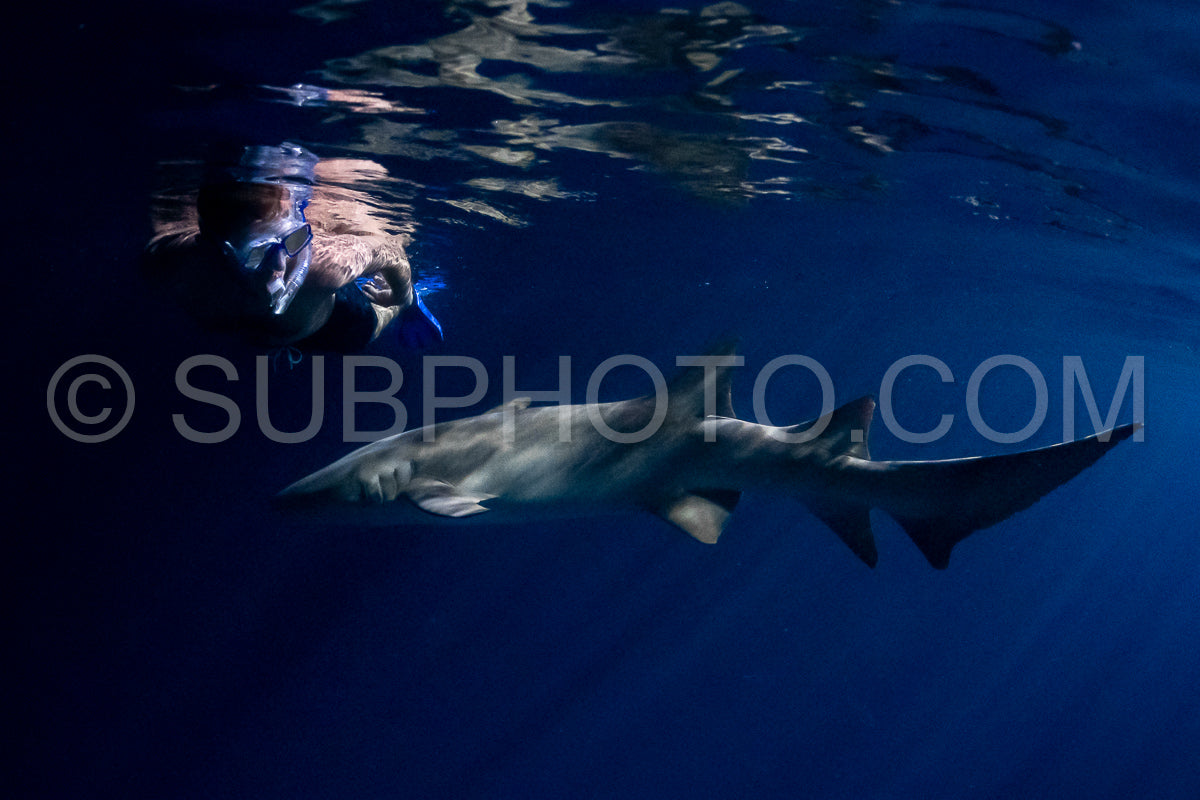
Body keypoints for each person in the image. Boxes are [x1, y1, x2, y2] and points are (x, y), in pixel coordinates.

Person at [143, 143, 442, 352]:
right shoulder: (179, 264)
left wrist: (401, 294)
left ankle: (411, 304)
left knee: (370, 326)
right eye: (258, 254)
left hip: (329, 324)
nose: (281, 268)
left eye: (295, 241)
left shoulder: (325, 270)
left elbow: (391, 251)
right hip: (278, 327)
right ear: (219, 251)